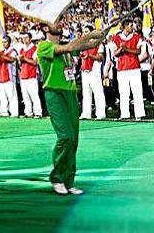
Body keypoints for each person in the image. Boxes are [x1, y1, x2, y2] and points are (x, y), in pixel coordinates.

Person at [37, 22, 104, 195]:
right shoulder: (44, 46)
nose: (59, 23)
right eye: (54, 20)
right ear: (45, 28)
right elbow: (71, 46)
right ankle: (57, 177)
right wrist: (91, 34)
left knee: (73, 138)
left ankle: (69, 180)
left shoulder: (66, 44)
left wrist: (99, 36)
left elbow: (90, 45)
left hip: (70, 93)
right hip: (54, 93)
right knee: (65, 136)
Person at [113, 19, 145, 120]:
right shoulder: (116, 38)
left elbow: (138, 51)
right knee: (123, 92)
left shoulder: (136, 36)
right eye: (131, 26)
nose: (133, 27)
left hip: (134, 67)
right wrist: (121, 49)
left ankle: (139, 114)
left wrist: (127, 49)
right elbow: (115, 54)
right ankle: (124, 114)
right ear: (125, 26)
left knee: (137, 91)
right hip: (122, 68)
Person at [79, 25, 107, 120]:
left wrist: (89, 56)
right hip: (85, 70)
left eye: (86, 31)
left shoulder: (99, 44)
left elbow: (100, 57)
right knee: (86, 93)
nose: (84, 33)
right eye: (83, 32)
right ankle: (86, 113)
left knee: (98, 91)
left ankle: (101, 114)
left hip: (94, 69)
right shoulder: (83, 44)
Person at [19, 32, 42, 118]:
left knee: (34, 95)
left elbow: (35, 62)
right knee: (25, 96)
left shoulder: (35, 48)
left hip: (31, 74)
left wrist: (24, 58)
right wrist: (20, 60)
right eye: (23, 38)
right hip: (23, 74)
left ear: (30, 38)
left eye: (26, 38)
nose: (24, 40)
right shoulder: (22, 49)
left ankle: (38, 112)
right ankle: (28, 112)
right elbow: (20, 63)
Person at [0, 36, 19, 117]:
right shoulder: (1, 52)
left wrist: (0, 56)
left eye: (5, 42)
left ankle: (14, 112)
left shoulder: (13, 51)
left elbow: (11, 59)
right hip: (1, 76)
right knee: (2, 95)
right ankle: (4, 111)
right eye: (2, 42)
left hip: (9, 75)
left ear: (9, 43)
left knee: (11, 95)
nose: (3, 44)